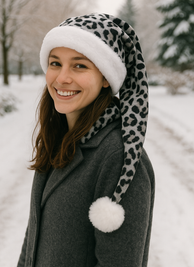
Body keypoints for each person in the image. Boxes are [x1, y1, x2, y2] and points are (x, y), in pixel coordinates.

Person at [17, 13, 155, 267]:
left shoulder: (118, 158)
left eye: (79, 65)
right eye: (55, 63)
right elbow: (33, 235)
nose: (62, 78)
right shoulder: (60, 139)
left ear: (105, 77)